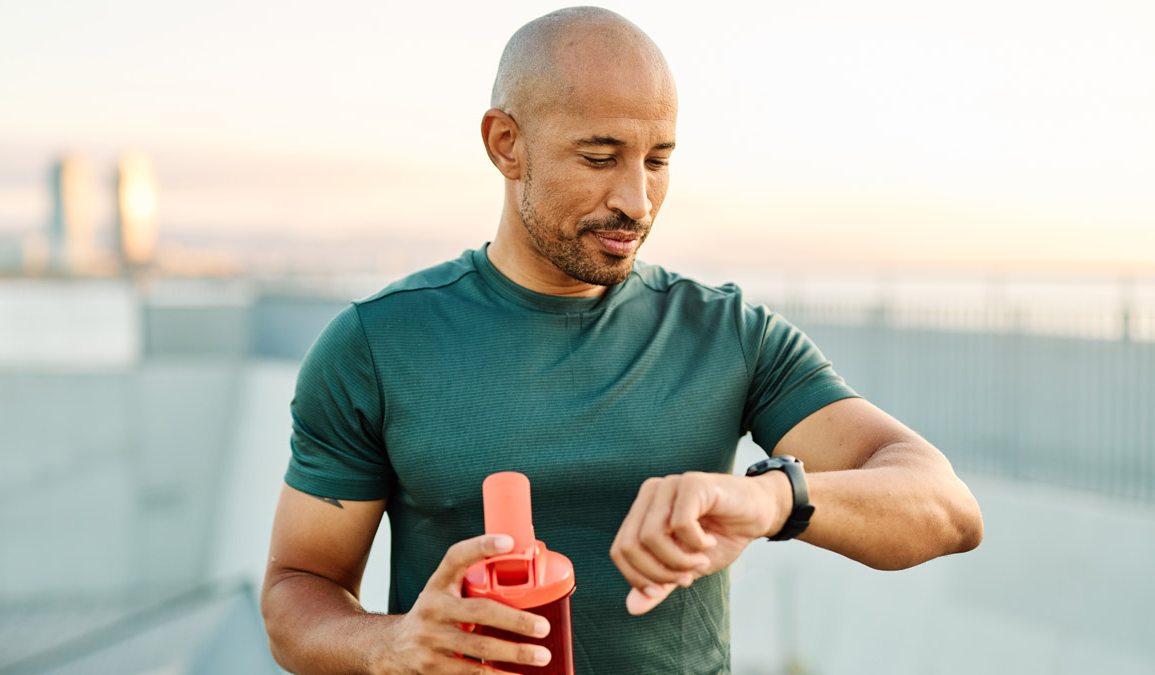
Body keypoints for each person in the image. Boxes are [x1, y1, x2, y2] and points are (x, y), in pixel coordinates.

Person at [261, 6, 984, 674]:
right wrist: (393, 643)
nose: (636, 201)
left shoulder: (729, 334)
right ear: (506, 145)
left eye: (658, 159)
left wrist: (769, 497)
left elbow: (947, 509)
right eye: (600, 157)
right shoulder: (377, 343)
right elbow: (297, 590)